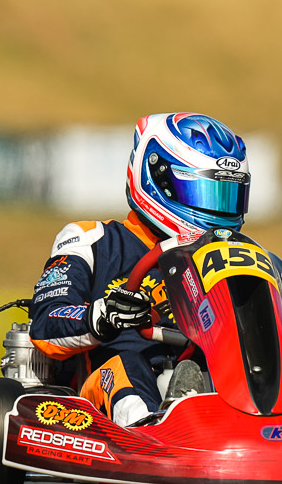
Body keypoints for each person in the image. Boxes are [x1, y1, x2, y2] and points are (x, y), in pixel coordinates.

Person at [28, 112, 251, 426]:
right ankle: (154, 430)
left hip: (205, 377)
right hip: (108, 385)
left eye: (228, 197)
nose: (219, 210)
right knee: (126, 365)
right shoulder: (92, 240)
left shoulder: (233, 256)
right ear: (159, 178)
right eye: (207, 194)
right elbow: (45, 325)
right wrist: (102, 316)